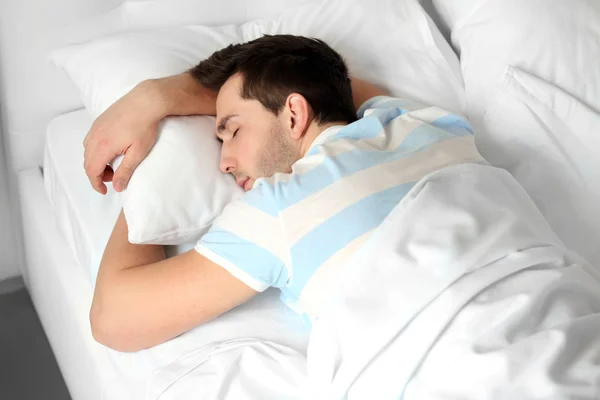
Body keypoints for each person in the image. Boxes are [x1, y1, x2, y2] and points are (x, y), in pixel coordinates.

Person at [86, 34, 479, 352]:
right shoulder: (427, 124)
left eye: (233, 130)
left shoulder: (282, 208)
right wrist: (158, 97)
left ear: (294, 114)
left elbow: (112, 319)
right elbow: (336, 85)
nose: (223, 162)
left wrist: (145, 158)